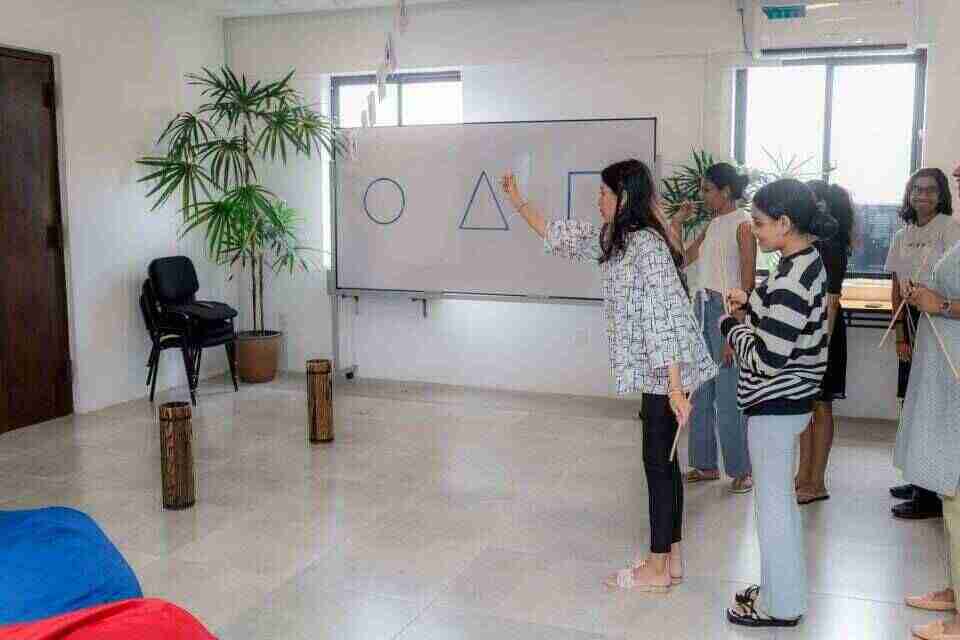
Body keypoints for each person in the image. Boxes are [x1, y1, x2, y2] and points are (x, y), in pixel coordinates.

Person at [500, 159, 717, 592]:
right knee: (665, 464)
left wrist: (675, 387)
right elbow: (557, 234)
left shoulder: (646, 246)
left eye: (604, 192)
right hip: (662, 371)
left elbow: (665, 315)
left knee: (658, 466)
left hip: (667, 370)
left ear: (625, 196)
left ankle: (657, 568)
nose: (597, 199)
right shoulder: (617, 238)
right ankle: (671, 559)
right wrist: (517, 200)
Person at [720, 179, 836, 628]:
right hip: (789, 401)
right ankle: (779, 590)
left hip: (776, 403)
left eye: (760, 223)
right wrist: (751, 302)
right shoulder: (804, 260)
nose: (754, 231)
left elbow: (767, 358)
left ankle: (780, 606)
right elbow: (783, 321)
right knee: (778, 506)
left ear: (785, 223)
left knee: (773, 510)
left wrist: (731, 325)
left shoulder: (791, 276)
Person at [898, 161, 960, 640]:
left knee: (958, 495)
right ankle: (957, 590)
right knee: (951, 494)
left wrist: (943, 305)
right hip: (944, 372)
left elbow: (950, 303)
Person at [670, 163, 755, 493]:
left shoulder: (743, 225)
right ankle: (705, 465)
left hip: (726, 311)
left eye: (707, 190)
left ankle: (741, 470)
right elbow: (682, 259)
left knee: (729, 394)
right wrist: (677, 222)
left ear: (726, 191)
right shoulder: (712, 224)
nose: (703, 196)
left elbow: (747, 281)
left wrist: (735, 330)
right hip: (702, 308)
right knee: (700, 390)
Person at [886, 168, 960, 520]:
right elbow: (896, 285)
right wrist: (901, 333)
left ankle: (930, 489)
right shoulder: (903, 234)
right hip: (916, 320)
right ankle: (917, 477)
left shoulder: (950, 228)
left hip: (942, 325)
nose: (922, 196)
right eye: (917, 189)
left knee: (934, 410)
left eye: (931, 190)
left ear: (942, 195)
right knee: (913, 404)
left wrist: (937, 303)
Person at [794, 181, 855, 504]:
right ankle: (802, 474)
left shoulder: (830, 245)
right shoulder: (810, 241)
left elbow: (831, 302)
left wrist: (821, 348)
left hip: (823, 333)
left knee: (820, 405)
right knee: (805, 406)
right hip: (806, 329)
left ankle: (816, 481)